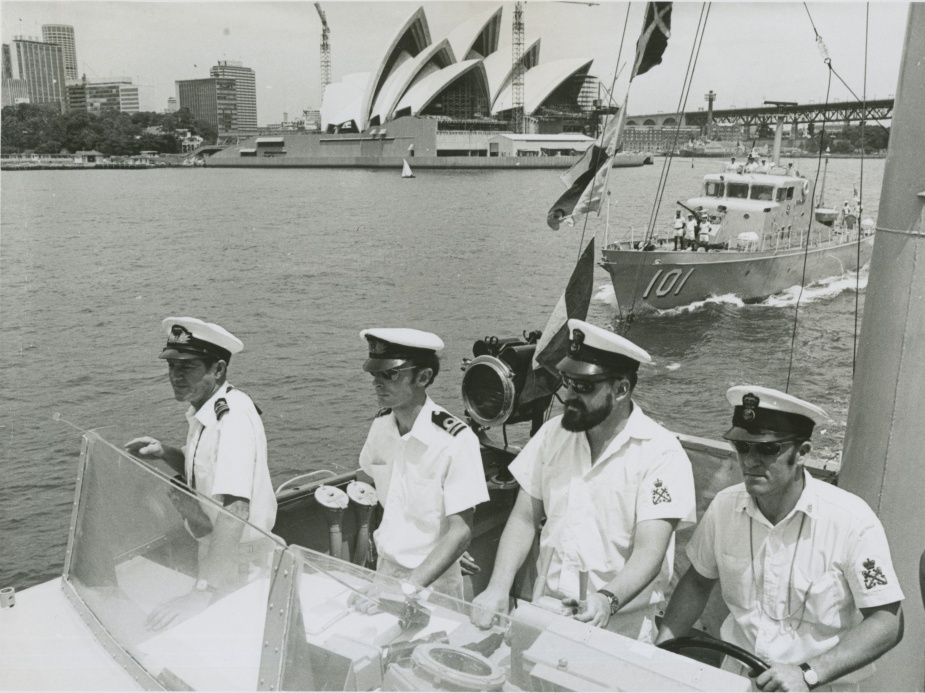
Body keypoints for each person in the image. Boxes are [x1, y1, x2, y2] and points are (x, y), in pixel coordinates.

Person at [656, 385, 904, 691]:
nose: (749, 461)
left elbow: (887, 621)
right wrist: (658, 653)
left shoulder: (852, 521)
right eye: (742, 447)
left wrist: (808, 673)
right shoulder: (724, 507)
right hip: (737, 680)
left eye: (767, 449)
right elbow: (697, 582)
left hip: (817, 685)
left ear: (802, 453)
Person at [471, 319, 696, 642]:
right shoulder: (553, 435)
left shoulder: (661, 453)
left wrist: (607, 599)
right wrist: (497, 588)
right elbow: (524, 518)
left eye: (584, 387)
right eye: (567, 382)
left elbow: (650, 551)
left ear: (620, 389)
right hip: (546, 610)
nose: (569, 396)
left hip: (618, 626)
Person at [126, 317, 277, 630]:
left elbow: (236, 509)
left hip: (239, 562)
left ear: (218, 370)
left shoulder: (232, 418)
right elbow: (208, 475)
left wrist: (200, 593)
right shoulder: (205, 409)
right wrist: (165, 452)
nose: (175, 377)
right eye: (171, 367)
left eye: (187, 368)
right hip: (216, 555)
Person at [357, 328, 489, 599]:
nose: (377, 382)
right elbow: (368, 479)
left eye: (390, 374)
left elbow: (461, 531)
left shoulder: (456, 440)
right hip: (385, 571)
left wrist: (406, 588)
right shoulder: (380, 428)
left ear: (423, 377)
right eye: (375, 373)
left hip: (432, 583)